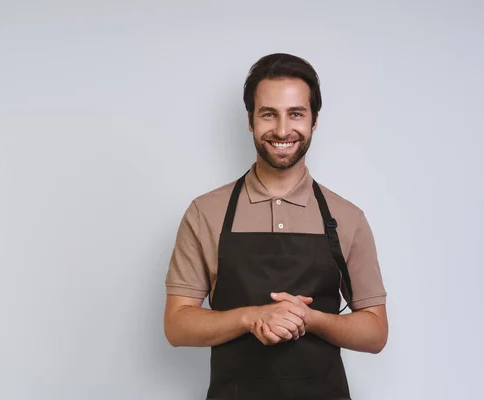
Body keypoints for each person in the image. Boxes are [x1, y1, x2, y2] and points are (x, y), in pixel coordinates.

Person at [163, 53, 388, 400]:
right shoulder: (206, 212)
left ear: (314, 121)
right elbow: (176, 325)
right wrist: (251, 317)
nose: (283, 130)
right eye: (269, 114)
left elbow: (375, 333)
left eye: (295, 113)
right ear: (251, 121)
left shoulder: (348, 217)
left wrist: (309, 319)